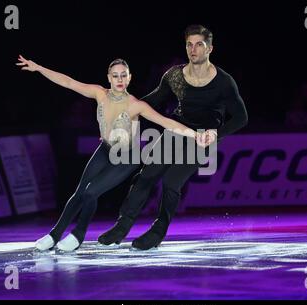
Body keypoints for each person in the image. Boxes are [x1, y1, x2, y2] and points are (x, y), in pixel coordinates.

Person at [16, 55, 209, 251]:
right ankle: (54, 235)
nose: (119, 80)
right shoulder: (99, 93)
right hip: (106, 150)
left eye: (123, 75)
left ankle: (78, 234)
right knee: (80, 192)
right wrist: (39, 68)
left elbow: (166, 122)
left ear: (129, 78)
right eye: (115, 76)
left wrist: (195, 135)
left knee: (91, 192)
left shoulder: (136, 105)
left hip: (127, 158)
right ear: (109, 78)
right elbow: (68, 82)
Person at [98, 25, 248, 250]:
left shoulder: (223, 82)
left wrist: (216, 134)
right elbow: (153, 101)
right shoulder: (175, 75)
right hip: (176, 129)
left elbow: (241, 117)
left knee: (171, 182)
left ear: (210, 49)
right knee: (146, 176)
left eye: (199, 44)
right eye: (189, 44)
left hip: (201, 139)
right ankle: (122, 227)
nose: (193, 49)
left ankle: (158, 231)